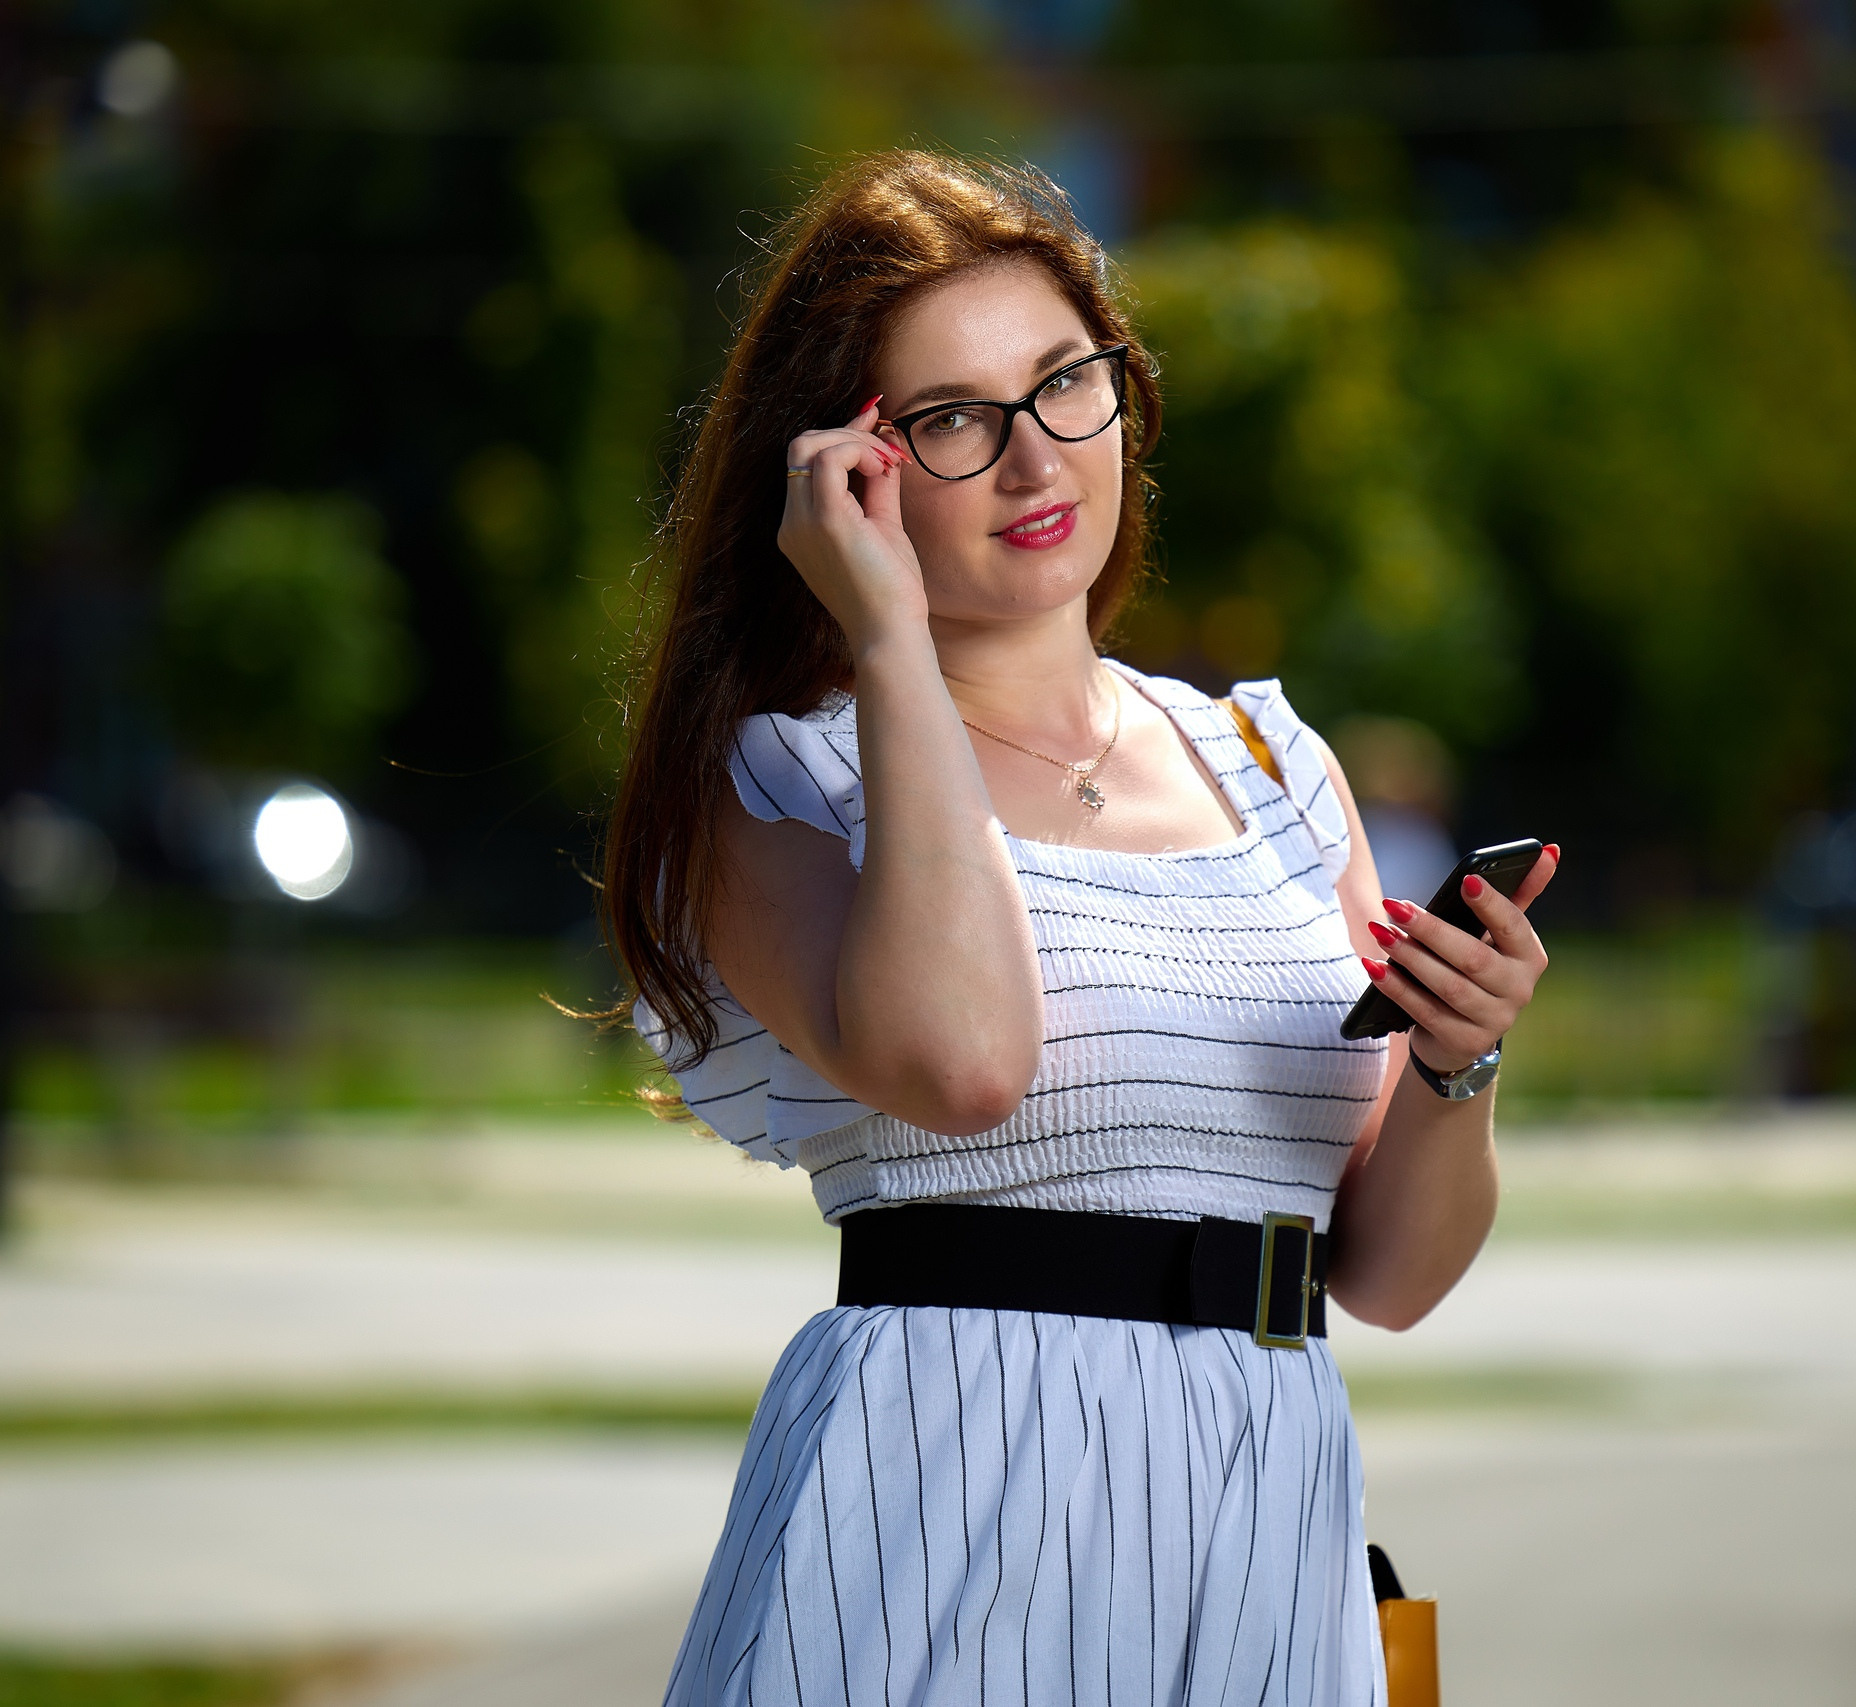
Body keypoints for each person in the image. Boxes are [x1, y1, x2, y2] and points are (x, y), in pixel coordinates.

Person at [604, 151, 1557, 1707]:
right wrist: (890, 636)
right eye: (953, 422)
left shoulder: (1271, 766)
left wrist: (1462, 1060)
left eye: (1065, 384)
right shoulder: (777, 782)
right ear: (846, 469)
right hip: (939, 1513)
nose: (1037, 461)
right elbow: (963, 1062)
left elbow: (1387, 1275)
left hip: (1266, 1512)